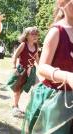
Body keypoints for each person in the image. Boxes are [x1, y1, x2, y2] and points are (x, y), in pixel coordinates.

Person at [22, 0, 73, 133]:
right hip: (56, 100)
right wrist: (67, 76)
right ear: (62, 4)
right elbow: (43, 67)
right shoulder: (57, 32)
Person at [5, 26, 39, 117]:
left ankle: (33, 107)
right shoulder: (23, 44)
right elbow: (15, 55)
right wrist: (14, 66)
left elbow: (37, 58)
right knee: (18, 89)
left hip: (32, 70)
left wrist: (42, 67)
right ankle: (15, 107)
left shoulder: (36, 45)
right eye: (32, 34)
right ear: (27, 35)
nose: (35, 36)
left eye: (36, 34)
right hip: (22, 69)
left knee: (37, 86)